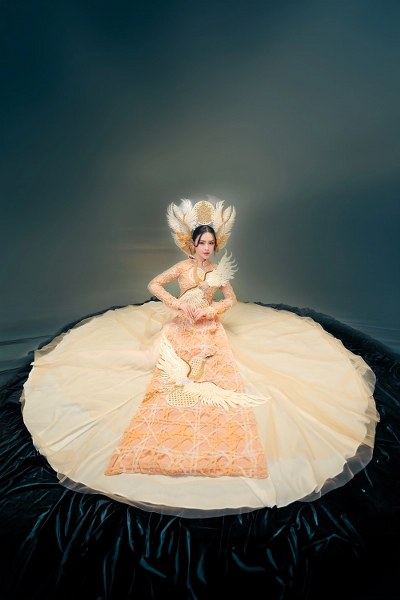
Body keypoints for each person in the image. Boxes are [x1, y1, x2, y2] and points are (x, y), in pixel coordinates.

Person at [21, 196, 379, 517]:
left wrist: (210, 311)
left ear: (215, 245)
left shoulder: (217, 272)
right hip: (179, 326)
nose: (206, 248)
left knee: (220, 371)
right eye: (201, 243)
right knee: (154, 366)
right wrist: (178, 305)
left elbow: (231, 300)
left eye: (211, 243)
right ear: (191, 244)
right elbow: (153, 285)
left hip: (207, 328)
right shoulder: (182, 268)